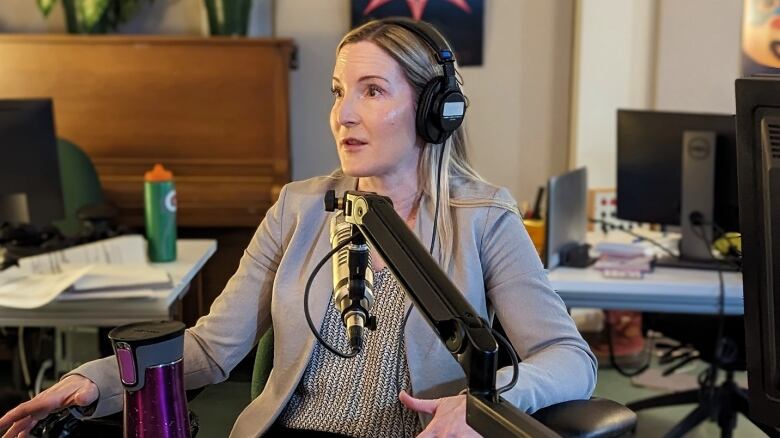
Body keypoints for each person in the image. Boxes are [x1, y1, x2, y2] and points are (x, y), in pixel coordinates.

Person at [0, 18, 596, 438]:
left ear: (432, 110)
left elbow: (569, 358)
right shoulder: (299, 207)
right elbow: (210, 351)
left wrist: (484, 406)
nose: (343, 115)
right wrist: (93, 381)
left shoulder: (484, 217)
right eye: (339, 92)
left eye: (372, 91)